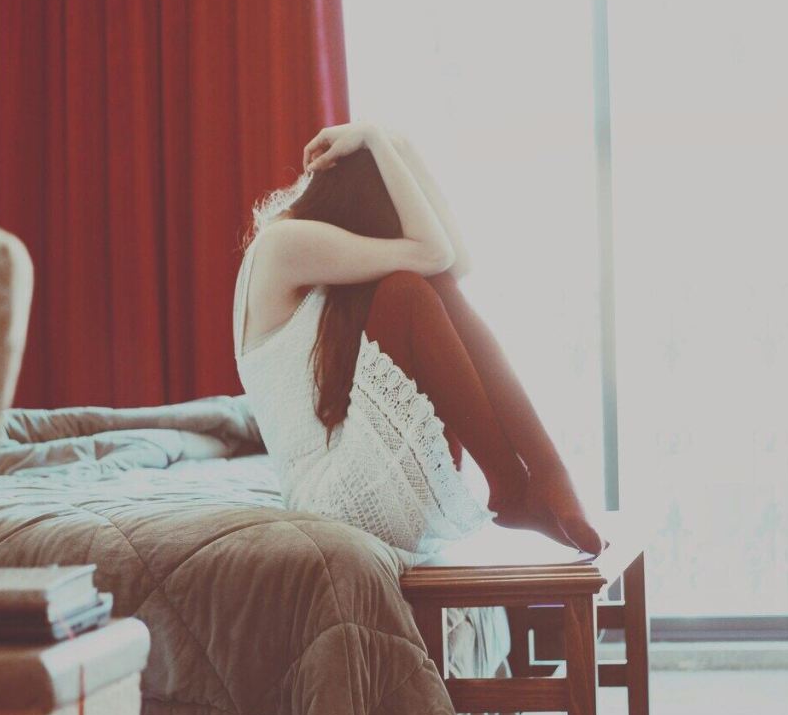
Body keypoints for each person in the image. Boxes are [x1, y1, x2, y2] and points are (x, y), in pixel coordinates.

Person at [233, 120, 606, 562]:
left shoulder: (322, 247)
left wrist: (397, 145)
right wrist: (373, 138)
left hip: (383, 469)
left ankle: (540, 475)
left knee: (436, 286)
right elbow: (436, 253)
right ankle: (516, 481)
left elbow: (454, 264)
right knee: (407, 291)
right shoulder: (282, 246)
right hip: (333, 501)